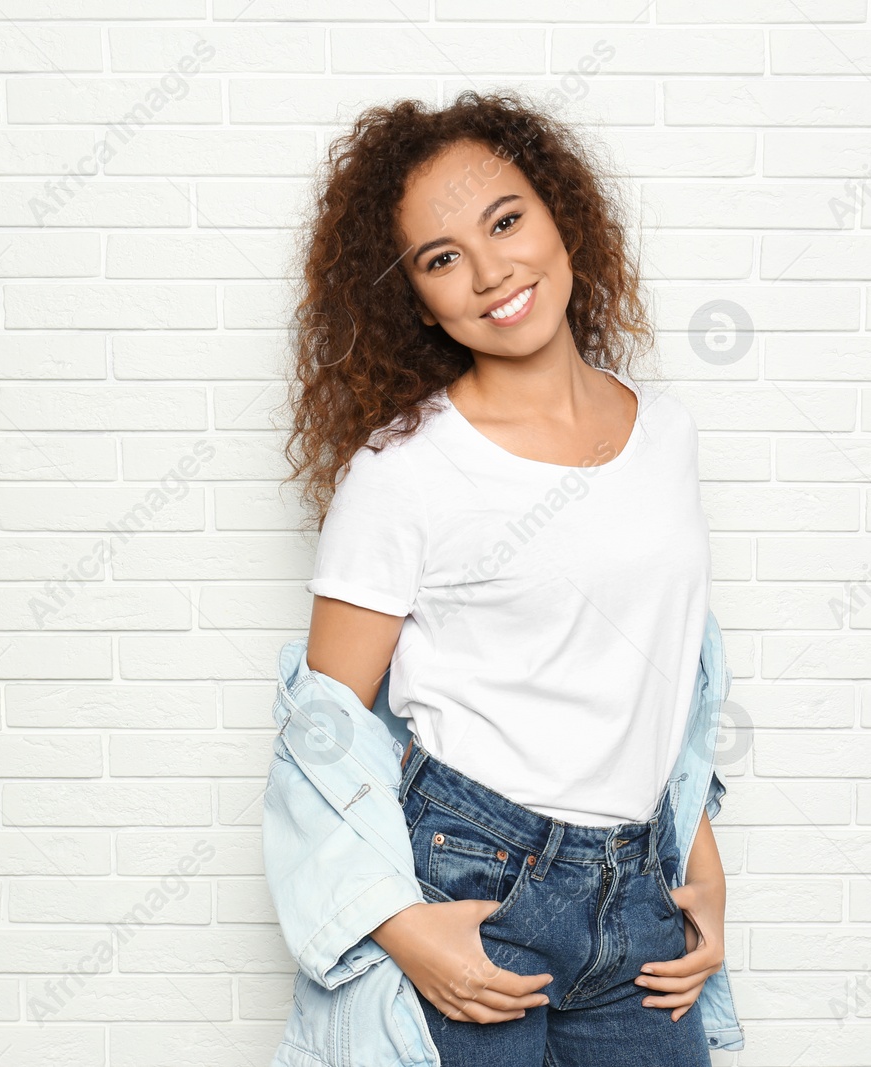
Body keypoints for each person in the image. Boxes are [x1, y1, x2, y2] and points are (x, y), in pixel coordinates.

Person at [279, 90, 729, 1067]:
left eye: (506, 220)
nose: (491, 272)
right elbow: (323, 730)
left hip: (643, 893)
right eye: (443, 258)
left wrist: (702, 869)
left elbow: (669, 676)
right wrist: (396, 921)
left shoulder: (667, 434)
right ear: (415, 294)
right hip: (473, 886)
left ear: (560, 214)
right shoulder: (400, 472)